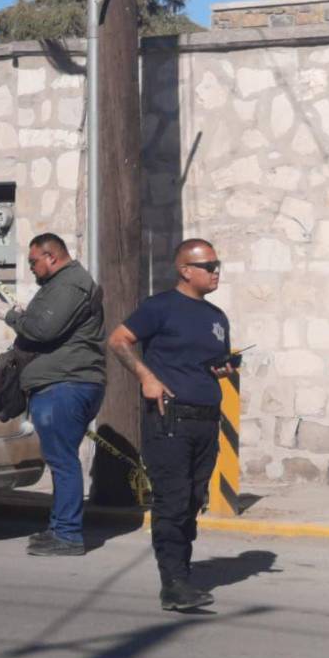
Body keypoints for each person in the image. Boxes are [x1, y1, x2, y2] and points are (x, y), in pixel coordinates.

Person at [107, 238, 235, 611]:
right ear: (185, 270)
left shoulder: (216, 317)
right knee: (173, 500)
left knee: (193, 499)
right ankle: (174, 583)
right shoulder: (159, 307)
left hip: (206, 421)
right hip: (170, 420)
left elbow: (209, 362)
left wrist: (222, 369)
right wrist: (146, 376)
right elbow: (118, 340)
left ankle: (182, 572)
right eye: (209, 266)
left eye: (217, 264)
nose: (216, 272)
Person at [0, 233, 106, 556]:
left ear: (51, 257)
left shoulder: (70, 284)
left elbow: (43, 329)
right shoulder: (63, 284)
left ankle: (68, 535)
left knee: (63, 461)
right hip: (63, 383)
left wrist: (11, 316)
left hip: (65, 384)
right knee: (61, 460)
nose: (31, 267)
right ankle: (59, 528)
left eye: (34, 261)